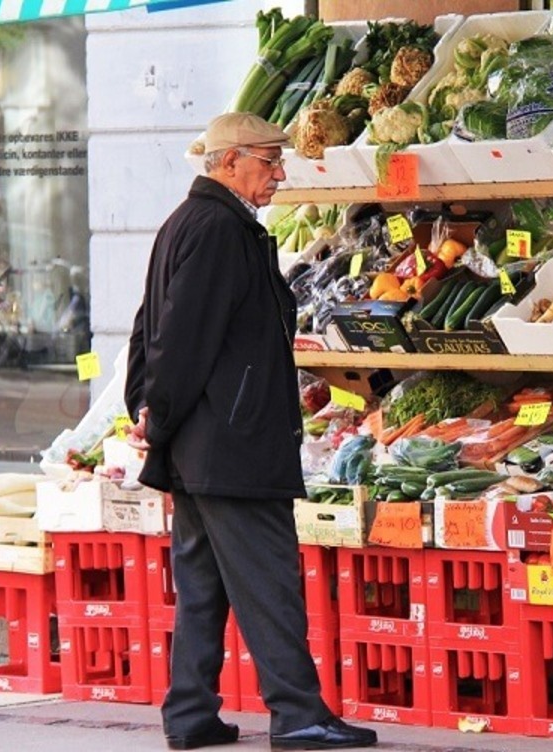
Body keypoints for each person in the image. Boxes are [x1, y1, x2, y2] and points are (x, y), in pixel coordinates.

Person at [124, 112, 378, 752]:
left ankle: (190, 715)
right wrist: (156, 410)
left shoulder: (190, 223)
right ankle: (298, 715)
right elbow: (178, 338)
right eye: (269, 161)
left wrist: (149, 411)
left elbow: (146, 325)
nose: (279, 173)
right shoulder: (218, 230)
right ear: (229, 161)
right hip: (231, 444)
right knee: (268, 583)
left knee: (203, 586)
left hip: (203, 443)